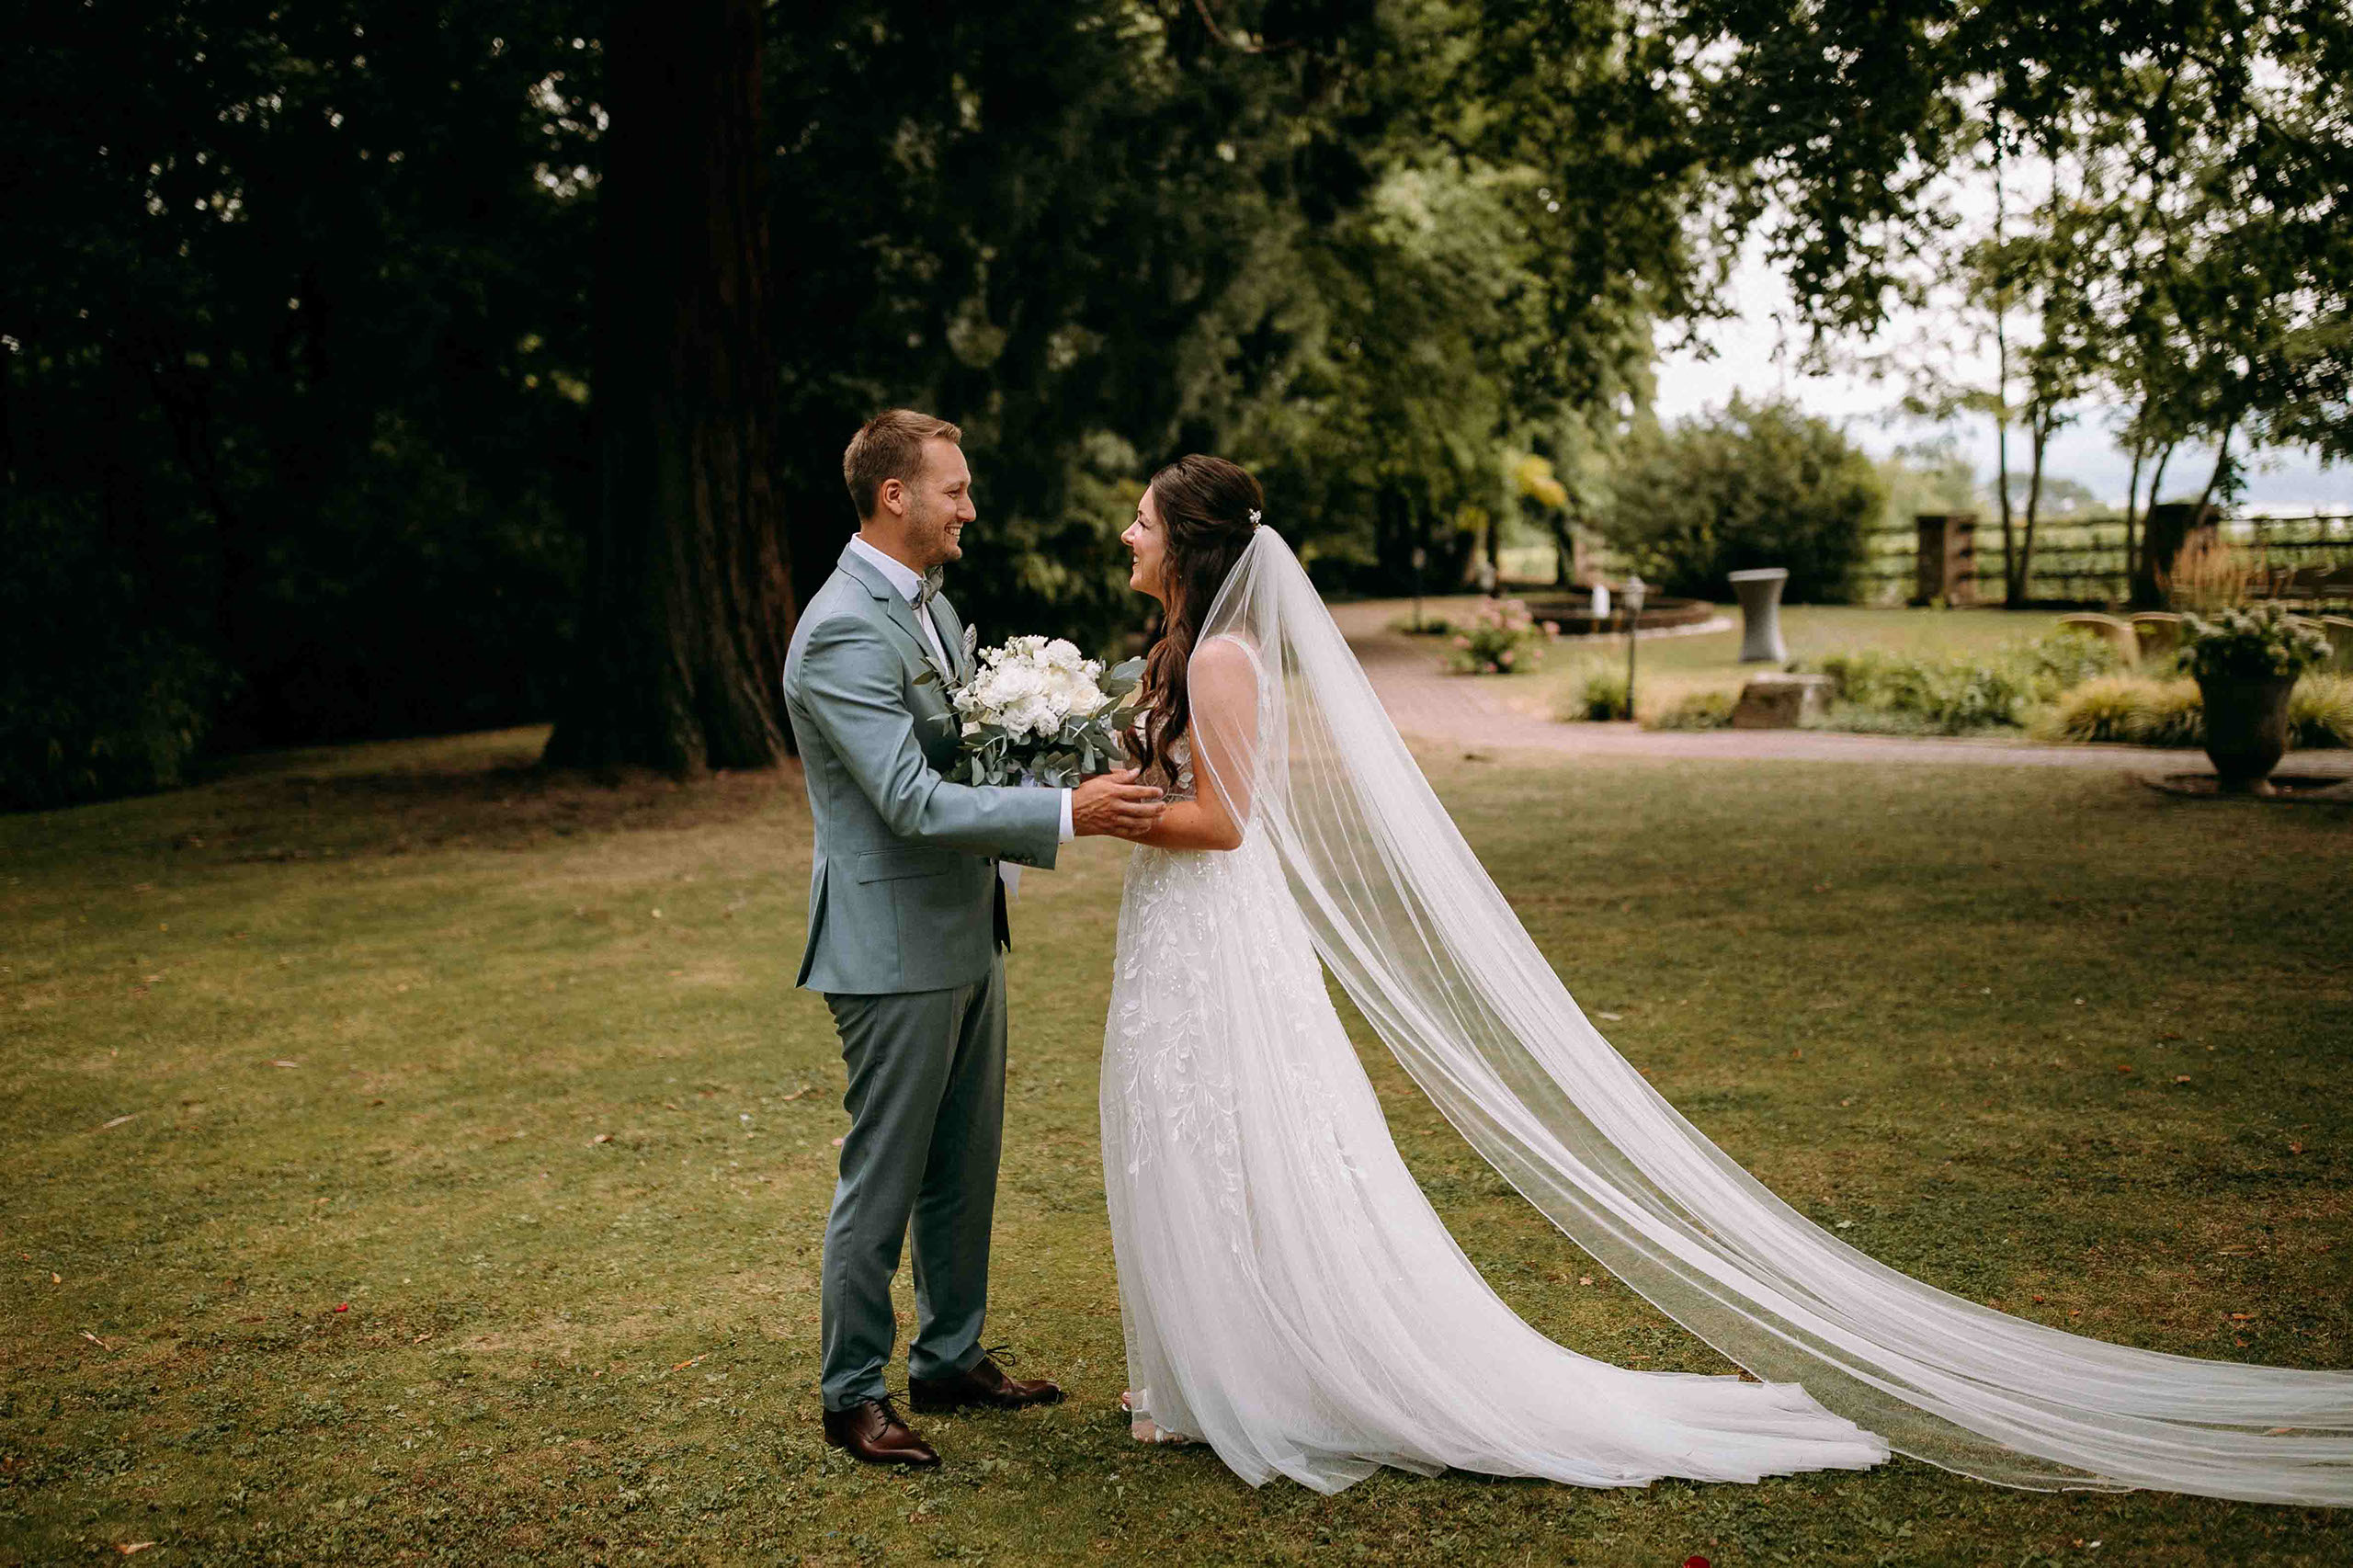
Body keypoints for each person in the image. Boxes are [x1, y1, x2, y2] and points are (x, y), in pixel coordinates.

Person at [1097, 453, 2353, 1503]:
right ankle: (1205, 1372)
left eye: (1144, 517)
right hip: (1185, 935)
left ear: (1189, 540)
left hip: (1215, 929)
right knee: (1191, 1142)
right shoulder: (1183, 646)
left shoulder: (1221, 663)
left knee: (1235, 1139)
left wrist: (1110, 815)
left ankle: (1252, 1377)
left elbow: (1233, 823)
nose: (1127, 529)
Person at [780, 409, 1165, 1468]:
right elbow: (906, 799)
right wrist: (1066, 814)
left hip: (963, 925)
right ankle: (850, 1392)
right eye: (954, 489)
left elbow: (976, 752)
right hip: (890, 941)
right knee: (886, 1173)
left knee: (964, 1162)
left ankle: (949, 1355)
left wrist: (1100, 721)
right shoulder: (843, 629)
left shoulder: (931, 611)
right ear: (894, 494)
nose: (970, 507)